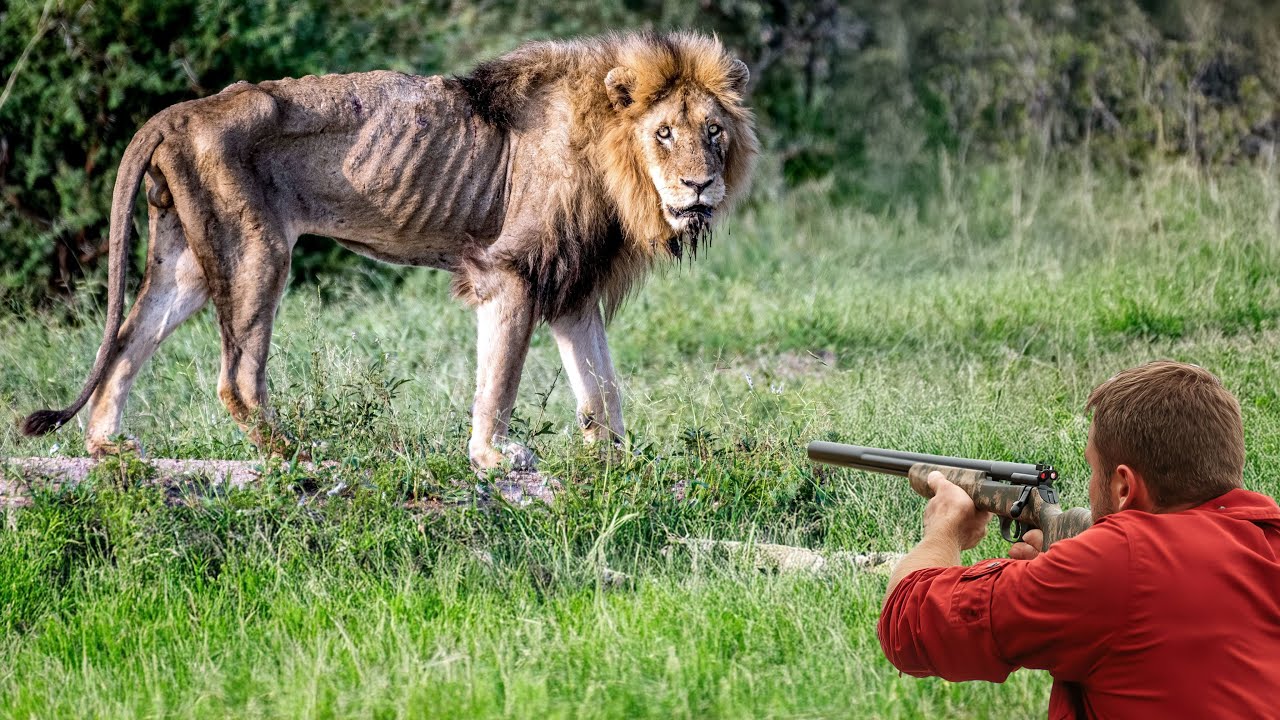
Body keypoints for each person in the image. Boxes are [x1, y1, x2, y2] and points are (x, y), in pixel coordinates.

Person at [877, 360, 1280, 718]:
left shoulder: (1115, 563)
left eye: (1092, 469)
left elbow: (907, 625)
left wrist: (945, 528)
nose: (1089, 485)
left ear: (1123, 487)